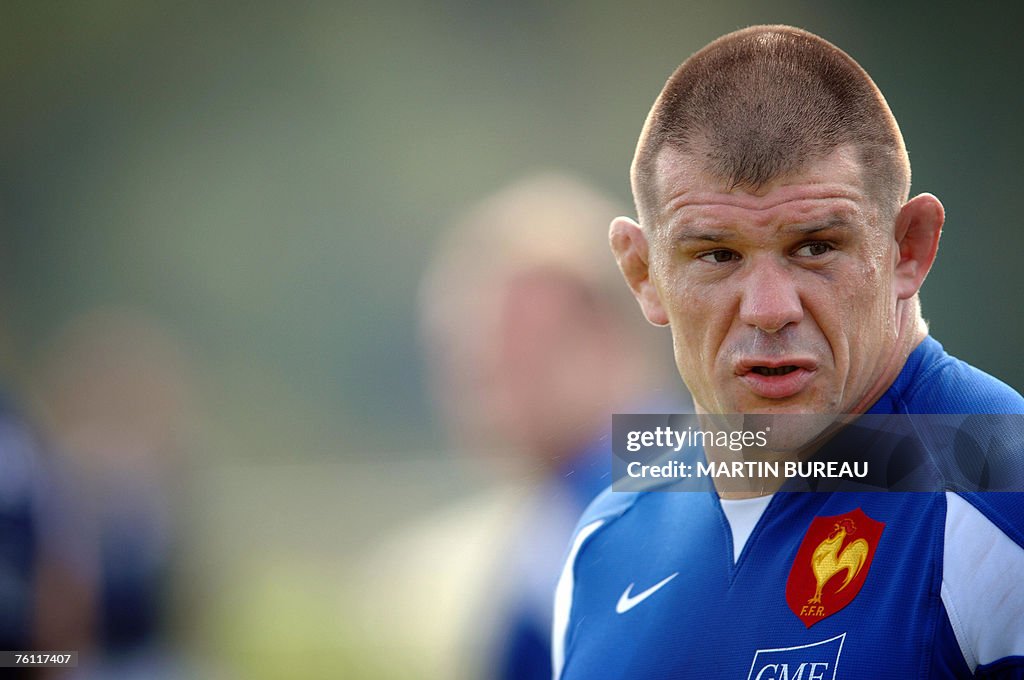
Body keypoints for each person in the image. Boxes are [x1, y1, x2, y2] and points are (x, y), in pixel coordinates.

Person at [553, 25, 1024, 679]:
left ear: (907, 250)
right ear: (643, 274)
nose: (770, 308)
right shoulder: (604, 539)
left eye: (816, 246)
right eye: (717, 254)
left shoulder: (1003, 493)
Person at [351, 174, 685, 680]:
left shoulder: (632, 497)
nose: (481, 384)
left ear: (605, 336)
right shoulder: (562, 505)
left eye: (517, 349)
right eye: (463, 352)